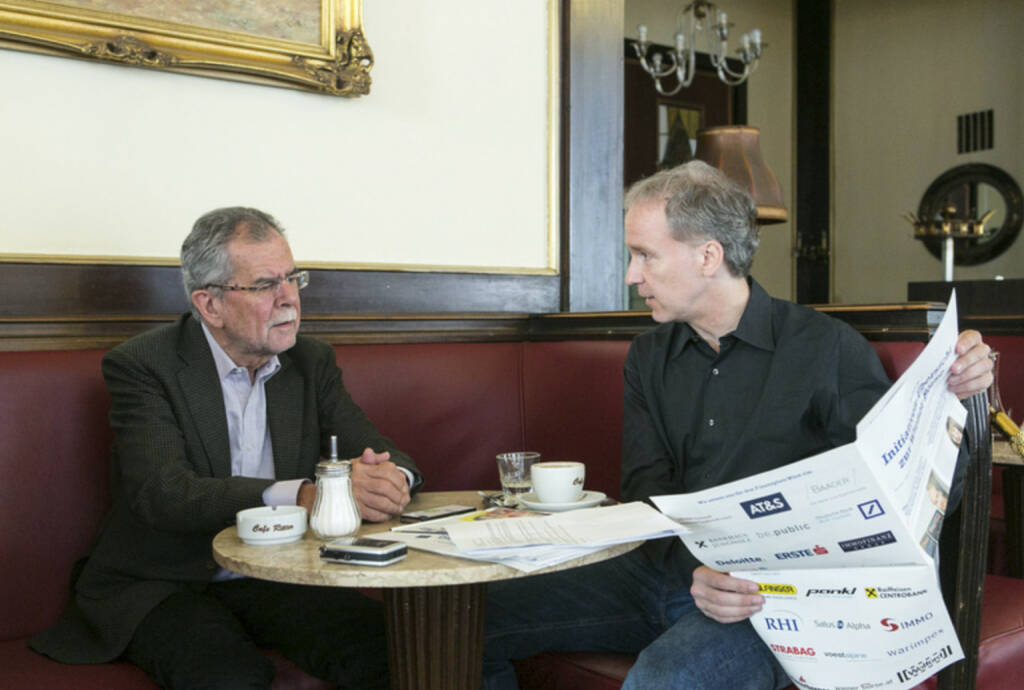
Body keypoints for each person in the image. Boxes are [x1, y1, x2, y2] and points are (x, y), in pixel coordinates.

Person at [481, 161, 994, 689]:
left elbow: (905, 497)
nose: (633, 275)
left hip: (771, 593)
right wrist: (694, 570)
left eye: (645, 255)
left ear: (708, 255)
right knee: (470, 618)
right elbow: (645, 487)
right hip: (663, 569)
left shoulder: (823, 348)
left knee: (666, 678)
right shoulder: (648, 356)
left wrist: (957, 402)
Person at [30, 207, 422, 690]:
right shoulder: (143, 365)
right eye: (265, 285)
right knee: (226, 676)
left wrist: (392, 481)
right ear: (209, 304)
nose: (290, 300)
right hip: (164, 581)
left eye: (293, 278)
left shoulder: (309, 361)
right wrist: (300, 493)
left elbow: (380, 453)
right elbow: (164, 492)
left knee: (395, 650)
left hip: (275, 574)